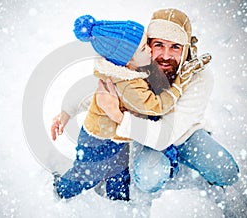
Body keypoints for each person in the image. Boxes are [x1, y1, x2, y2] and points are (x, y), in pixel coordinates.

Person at [53, 14, 210, 201]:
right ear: (127, 60)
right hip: (98, 138)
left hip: (118, 137)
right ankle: (62, 188)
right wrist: (178, 86)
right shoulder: (129, 85)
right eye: (145, 48)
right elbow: (156, 106)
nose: (151, 52)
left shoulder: (134, 69)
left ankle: (119, 204)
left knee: (119, 173)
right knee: (87, 174)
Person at [95, 8, 240, 193]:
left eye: (175, 47)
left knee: (227, 173)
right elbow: (106, 59)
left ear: (186, 48)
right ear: (148, 44)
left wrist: (117, 115)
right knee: (149, 177)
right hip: (145, 132)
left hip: (185, 133)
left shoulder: (199, 76)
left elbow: (165, 135)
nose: (165, 55)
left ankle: (182, 155)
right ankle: (164, 165)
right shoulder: (136, 66)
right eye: (159, 44)